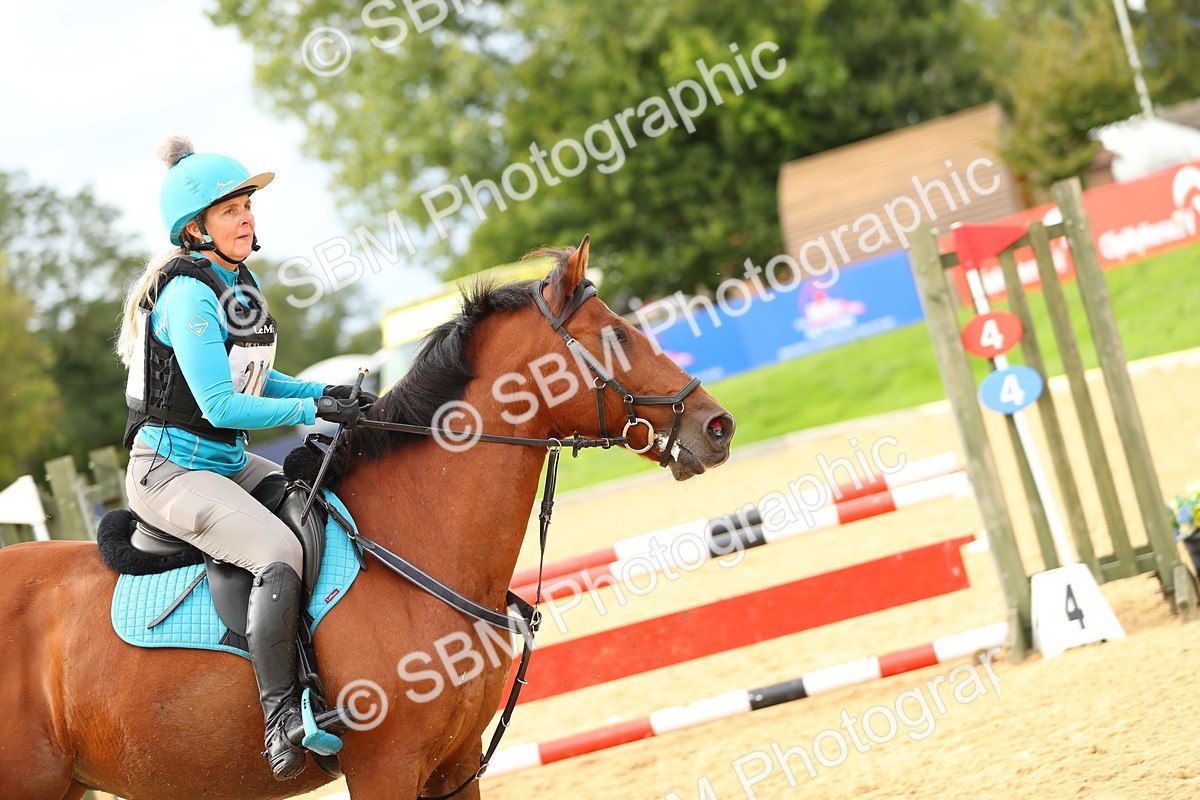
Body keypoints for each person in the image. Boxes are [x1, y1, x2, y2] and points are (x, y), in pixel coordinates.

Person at [115, 135, 376, 781]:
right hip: (170, 472)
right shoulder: (188, 296)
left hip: (225, 463)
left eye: (248, 206)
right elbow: (223, 403)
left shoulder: (237, 283)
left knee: (327, 506)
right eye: (232, 210)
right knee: (277, 552)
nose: (247, 218)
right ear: (196, 228)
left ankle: (324, 664)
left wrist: (325, 391)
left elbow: (259, 376)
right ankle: (283, 718)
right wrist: (310, 412)